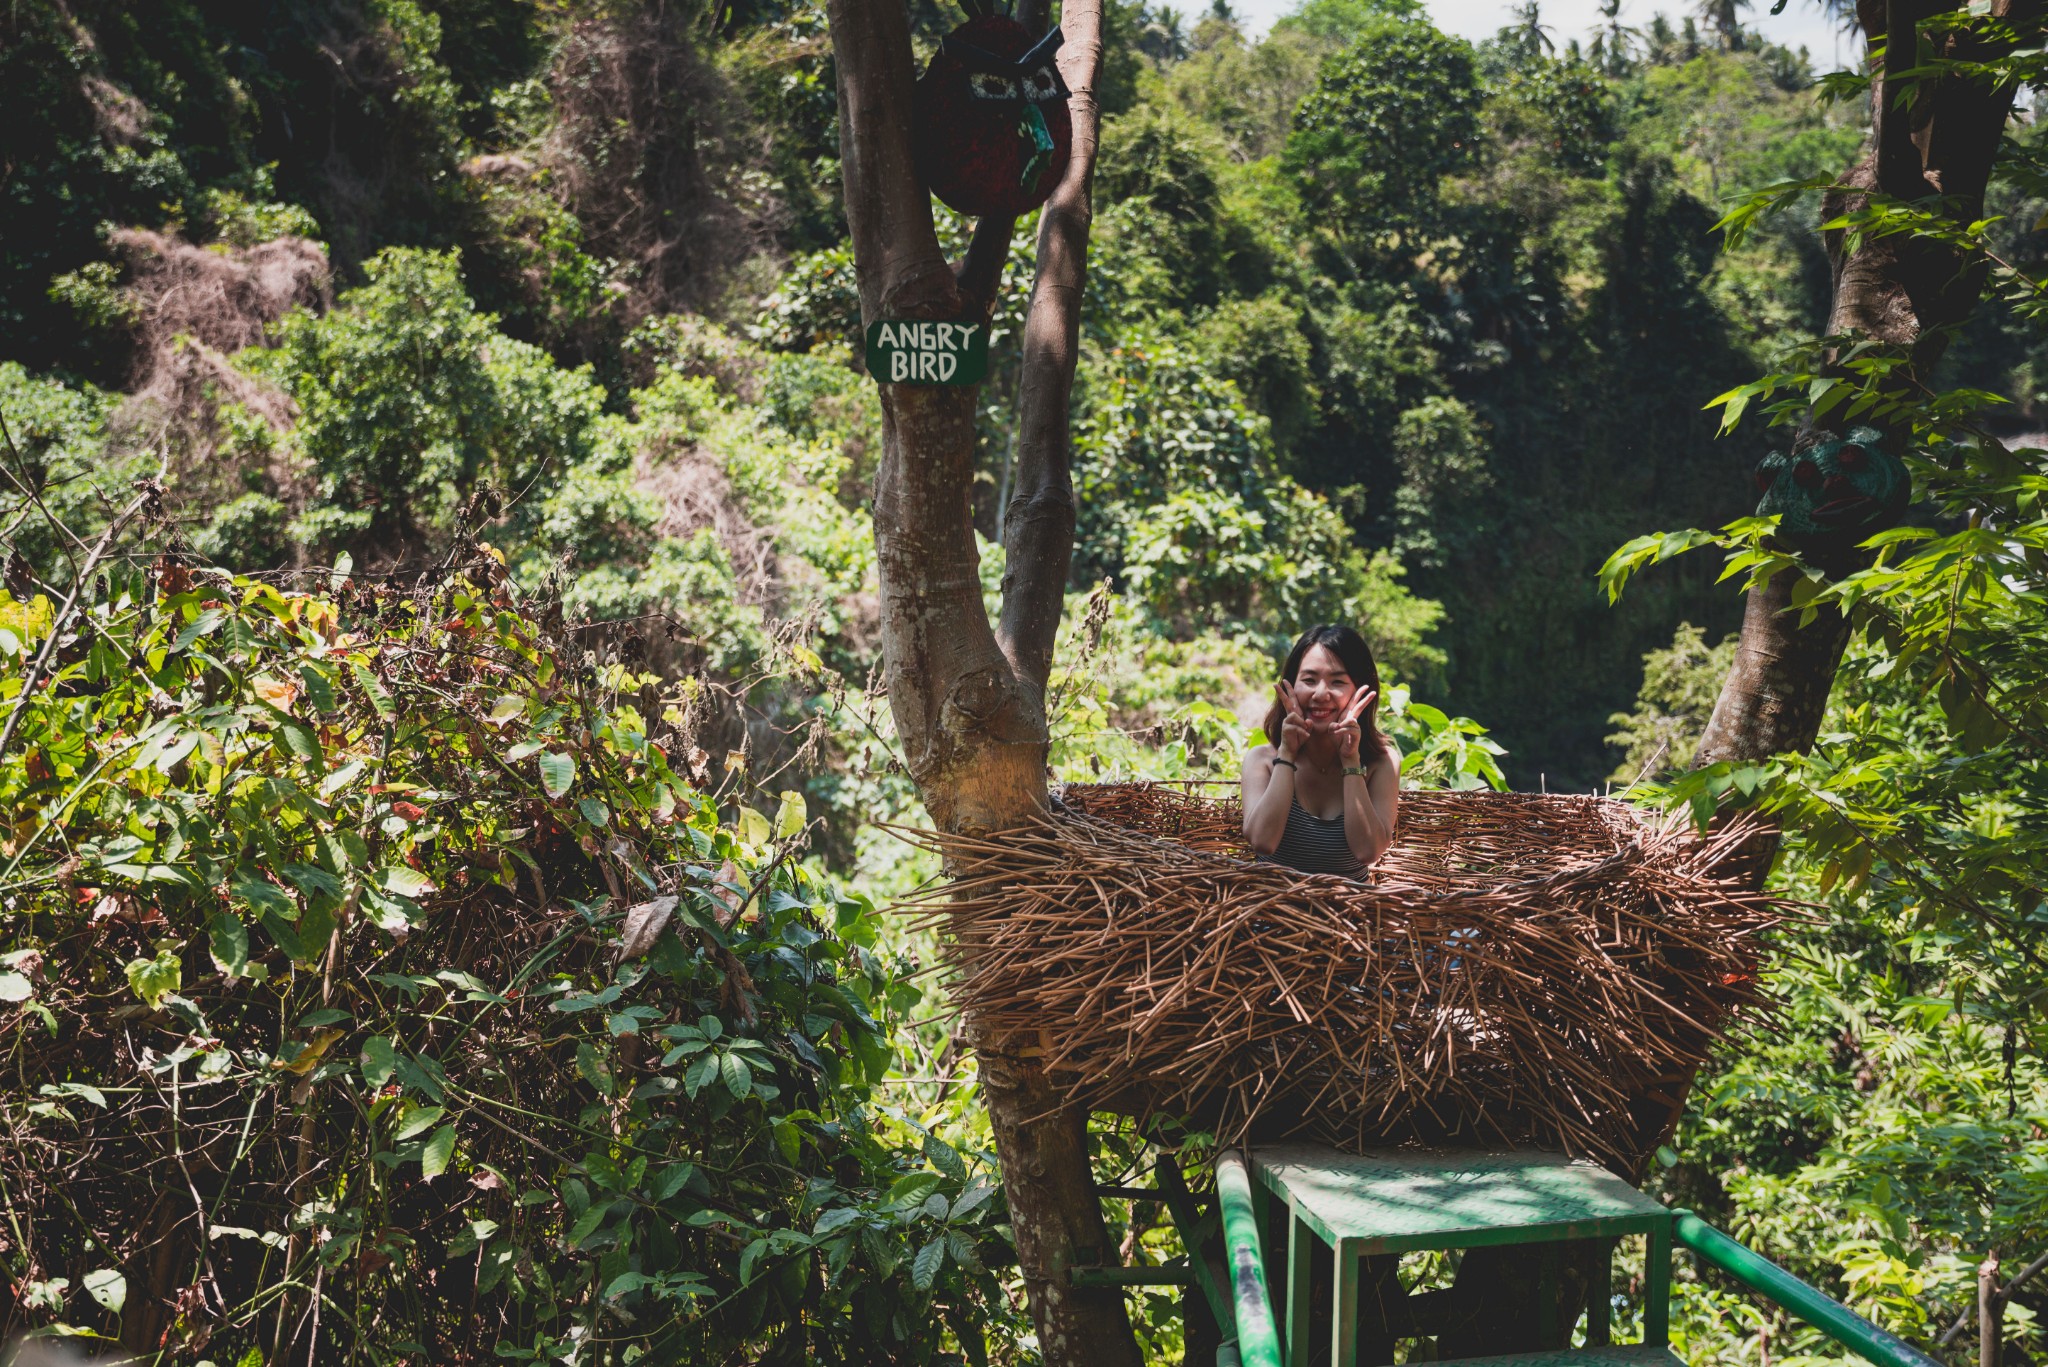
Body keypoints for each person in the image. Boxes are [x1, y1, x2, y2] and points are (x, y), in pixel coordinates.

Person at [1241, 624, 1399, 875]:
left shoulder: (1382, 762)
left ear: (1361, 689)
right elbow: (1263, 842)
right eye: (1309, 680)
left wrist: (1351, 761)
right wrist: (1287, 755)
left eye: (1337, 681)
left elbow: (1368, 851)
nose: (1321, 694)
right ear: (1290, 685)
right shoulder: (1261, 760)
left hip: (1350, 912)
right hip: (1271, 910)